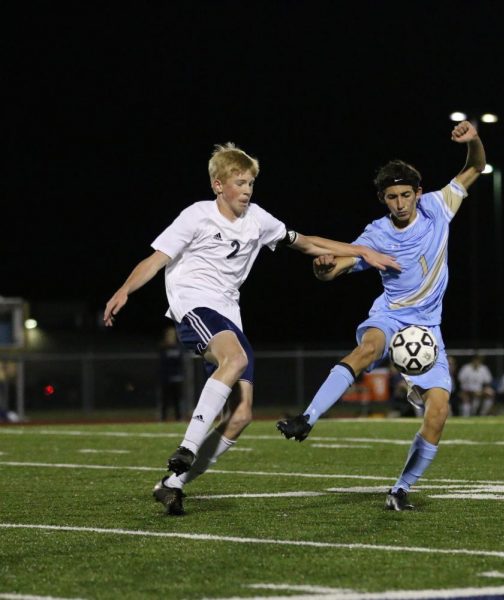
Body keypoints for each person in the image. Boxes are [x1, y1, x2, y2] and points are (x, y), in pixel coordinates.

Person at [103, 143, 398, 516]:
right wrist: (124, 290)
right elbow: (157, 259)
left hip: (229, 312)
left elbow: (304, 242)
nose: (246, 190)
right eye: (239, 183)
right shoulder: (196, 216)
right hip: (194, 303)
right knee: (236, 358)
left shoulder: (258, 219)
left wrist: (361, 252)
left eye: (250, 183)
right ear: (217, 185)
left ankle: (172, 483)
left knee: (241, 416)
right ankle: (189, 446)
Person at [275, 120, 486, 511]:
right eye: (392, 197)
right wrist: (324, 266)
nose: (400, 203)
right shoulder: (376, 233)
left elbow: (473, 168)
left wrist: (473, 141)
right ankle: (307, 417)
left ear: (418, 193)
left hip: (427, 330)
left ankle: (401, 489)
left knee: (439, 411)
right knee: (368, 348)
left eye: (406, 195)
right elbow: (337, 266)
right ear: (382, 199)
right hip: (389, 317)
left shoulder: (438, 207)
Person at [159, 325, 185, 421]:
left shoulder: (179, 347)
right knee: (165, 400)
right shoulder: (163, 348)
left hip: (177, 378)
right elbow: (162, 363)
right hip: (166, 378)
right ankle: (163, 419)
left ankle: (179, 418)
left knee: (177, 400)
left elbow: (181, 362)